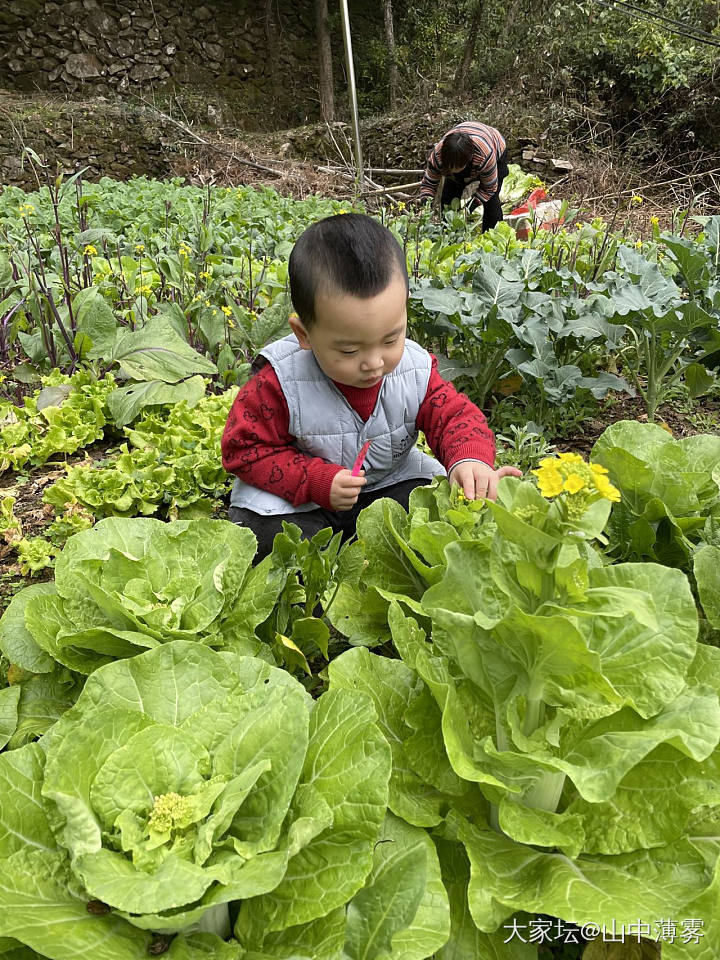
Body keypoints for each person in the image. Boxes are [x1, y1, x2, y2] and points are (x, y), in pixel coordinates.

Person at [221, 213, 521, 559]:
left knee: (436, 506)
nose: (374, 362)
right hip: (299, 501)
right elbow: (244, 450)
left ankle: (367, 554)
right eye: (349, 350)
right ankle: (327, 571)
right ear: (304, 334)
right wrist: (315, 480)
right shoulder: (279, 384)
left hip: (385, 485)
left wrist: (469, 460)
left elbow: (454, 417)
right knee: (272, 537)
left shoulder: (414, 369)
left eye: (391, 338)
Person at [419, 121, 508, 231]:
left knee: (491, 204)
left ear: (467, 160)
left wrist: (470, 207)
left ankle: (491, 238)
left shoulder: (483, 156)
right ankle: (448, 237)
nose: (453, 171)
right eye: (450, 167)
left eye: (456, 167)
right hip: (464, 153)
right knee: (447, 199)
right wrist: (425, 204)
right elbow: (429, 184)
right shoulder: (437, 156)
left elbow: (489, 189)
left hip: (495, 144)